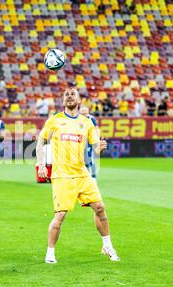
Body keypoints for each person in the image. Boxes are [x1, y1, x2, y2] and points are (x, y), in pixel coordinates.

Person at [36, 87, 120, 264]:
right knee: (60, 216)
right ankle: (50, 253)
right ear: (63, 100)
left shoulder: (87, 123)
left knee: (100, 208)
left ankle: (107, 245)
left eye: (72, 94)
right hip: (62, 176)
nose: (69, 96)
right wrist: (41, 164)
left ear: (79, 100)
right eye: (66, 94)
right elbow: (40, 141)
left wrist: (101, 149)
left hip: (82, 174)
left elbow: (96, 148)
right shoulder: (55, 120)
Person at [79, 106, 98, 180]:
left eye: (85, 110)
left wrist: (96, 138)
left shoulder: (91, 118)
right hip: (81, 140)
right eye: (82, 110)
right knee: (83, 158)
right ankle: (86, 175)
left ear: (88, 111)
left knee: (90, 157)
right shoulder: (78, 118)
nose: (83, 111)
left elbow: (96, 128)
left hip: (89, 140)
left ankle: (93, 175)